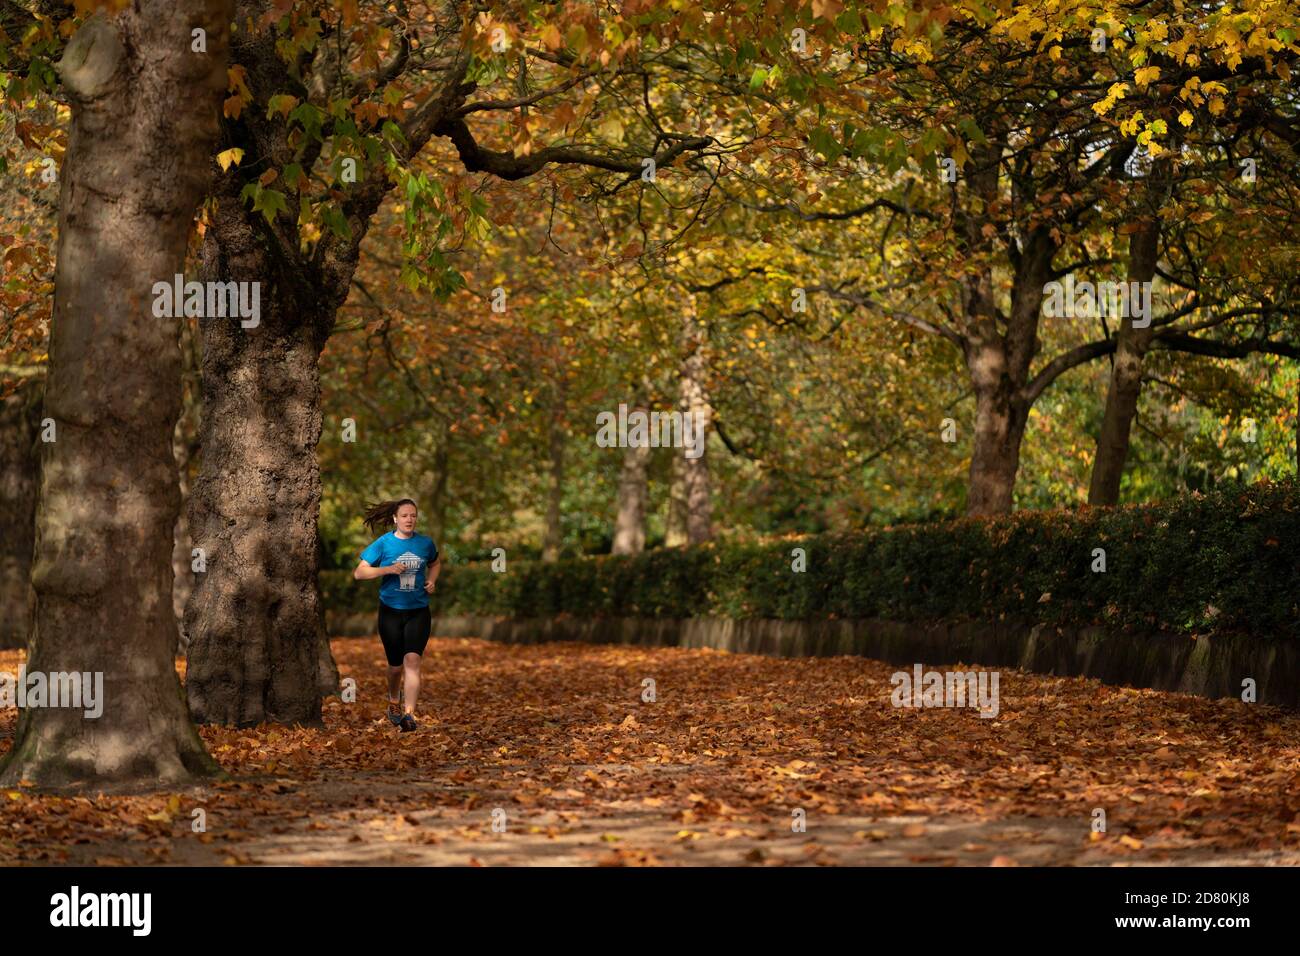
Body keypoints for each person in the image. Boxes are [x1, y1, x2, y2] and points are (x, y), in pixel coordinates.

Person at [353, 498, 440, 732]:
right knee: (395, 667)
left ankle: (409, 715)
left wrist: (431, 581)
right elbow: (359, 573)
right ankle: (393, 699)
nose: (409, 519)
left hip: (419, 611)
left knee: (412, 661)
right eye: (404, 516)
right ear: (395, 518)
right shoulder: (383, 544)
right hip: (391, 612)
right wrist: (388, 569)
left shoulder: (425, 543)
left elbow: (435, 562)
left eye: (413, 515)